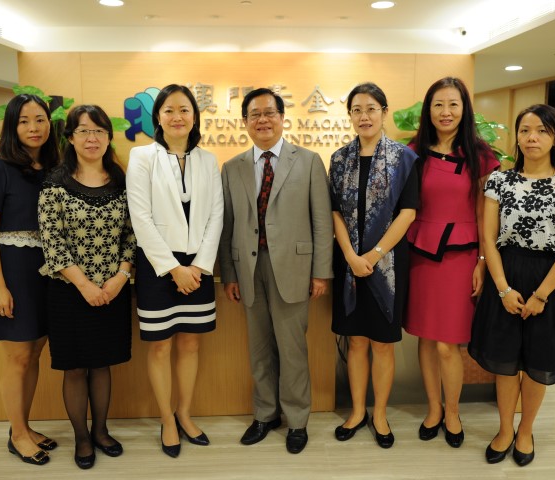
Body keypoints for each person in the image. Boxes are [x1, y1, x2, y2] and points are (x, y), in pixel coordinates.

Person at [469, 104, 555, 467]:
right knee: (505, 361)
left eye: (541, 130)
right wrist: (503, 289)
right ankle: (504, 429)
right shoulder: (499, 181)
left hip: (549, 280)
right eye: (525, 130)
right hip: (506, 273)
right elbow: (488, 238)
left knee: (539, 361)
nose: (532, 138)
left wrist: (541, 295)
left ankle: (525, 431)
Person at [219, 88, 333, 454]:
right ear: (245, 122)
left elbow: (321, 221)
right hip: (249, 269)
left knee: (292, 349)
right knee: (259, 349)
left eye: (270, 112)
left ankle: (297, 420)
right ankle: (265, 414)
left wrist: (321, 272)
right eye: (255, 114)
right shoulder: (232, 167)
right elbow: (227, 224)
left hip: (295, 269)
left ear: (282, 118)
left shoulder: (309, 161)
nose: (263, 120)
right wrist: (229, 274)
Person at [127, 84, 223, 459]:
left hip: (198, 265)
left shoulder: (207, 160)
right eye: (169, 110)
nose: (177, 116)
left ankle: (184, 413)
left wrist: (197, 266)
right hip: (157, 266)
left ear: (194, 117)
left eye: (184, 109)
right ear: (158, 117)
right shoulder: (142, 156)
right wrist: (172, 269)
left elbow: (216, 215)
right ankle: (166, 419)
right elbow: (140, 217)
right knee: (160, 346)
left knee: (190, 343)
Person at [403, 77, 499, 448]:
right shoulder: (413, 152)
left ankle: (454, 412)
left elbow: (486, 215)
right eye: (438, 104)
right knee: (426, 338)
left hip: (462, 256)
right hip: (421, 254)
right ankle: (433, 409)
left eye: (453, 104)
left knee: (448, 343)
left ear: (464, 109)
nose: (446, 112)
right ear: (428, 109)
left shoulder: (480, 154)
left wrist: (482, 261)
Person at [38, 105, 136, 470]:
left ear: (109, 137)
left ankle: (101, 430)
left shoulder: (122, 181)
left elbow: (132, 235)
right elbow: (53, 243)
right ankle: (81, 437)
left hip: (113, 290)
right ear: (70, 138)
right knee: (76, 367)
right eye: (83, 131)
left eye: (99, 131)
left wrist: (120, 277)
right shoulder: (54, 183)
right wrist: (84, 285)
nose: (91, 138)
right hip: (68, 291)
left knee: (102, 363)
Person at [329, 82, 419, 449]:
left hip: (388, 265)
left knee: (382, 344)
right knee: (355, 341)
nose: (364, 116)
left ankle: (379, 413)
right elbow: (334, 212)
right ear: (350, 115)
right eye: (357, 110)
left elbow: (408, 213)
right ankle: (356, 411)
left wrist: (374, 254)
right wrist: (352, 256)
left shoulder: (404, 158)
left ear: (384, 112)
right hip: (349, 265)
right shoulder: (339, 159)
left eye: (371, 109)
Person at [0, 93, 60, 466]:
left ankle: (24, 427)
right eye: (24, 120)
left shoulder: (52, 166)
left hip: (47, 270)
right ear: (12, 125)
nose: (33, 127)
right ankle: (17, 434)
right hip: (13, 270)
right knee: (18, 357)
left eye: (40, 119)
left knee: (35, 352)